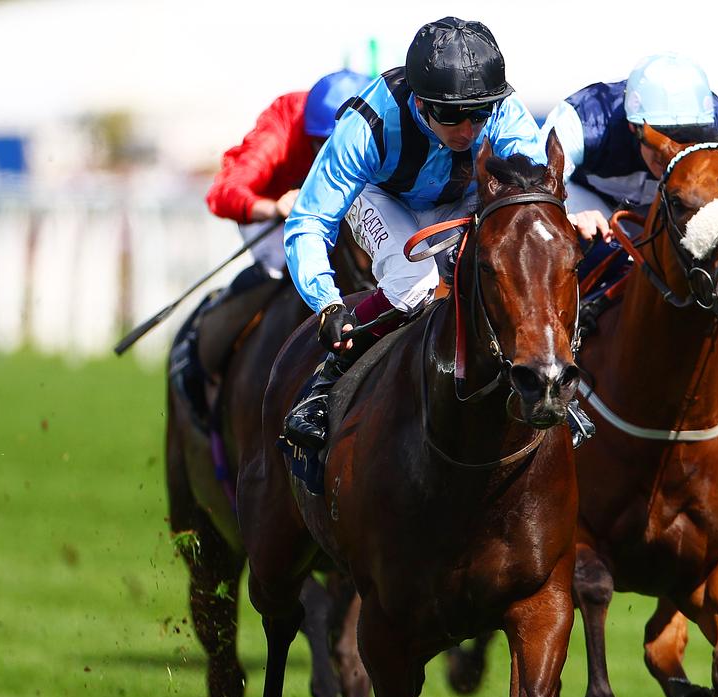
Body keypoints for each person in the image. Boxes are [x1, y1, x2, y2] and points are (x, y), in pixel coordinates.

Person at [280, 16, 593, 452]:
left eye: (480, 114)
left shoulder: (501, 108)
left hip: (461, 194)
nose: (468, 131)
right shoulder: (367, 125)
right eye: (451, 115)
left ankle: (543, 372)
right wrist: (327, 302)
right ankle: (328, 376)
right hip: (382, 196)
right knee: (418, 282)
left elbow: (531, 192)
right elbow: (309, 221)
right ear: (422, 103)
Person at [540, 53, 718, 424]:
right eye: (660, 140)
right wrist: (566, 215)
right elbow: (537, 186)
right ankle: (553, 367)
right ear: (634, 129)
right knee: (561, 255)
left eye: (685, 139)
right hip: (590, 203)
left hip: (674, 208)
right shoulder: (585, 117)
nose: (672, 150)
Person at [171, 70, 371, 425]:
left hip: (353, 208)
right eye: (322, 148)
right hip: (279, 211)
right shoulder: (282, 126)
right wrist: (275, 207)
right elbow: (223, 192)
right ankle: (204, 359)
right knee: (281, 268)